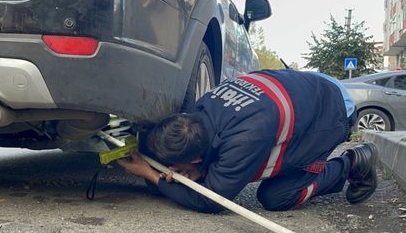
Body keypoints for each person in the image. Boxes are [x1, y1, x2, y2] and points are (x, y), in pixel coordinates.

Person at [117, 69, 377, 213]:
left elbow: (211, 200)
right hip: (308, 87)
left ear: (196, 158)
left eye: (178, 165)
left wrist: (149, 175)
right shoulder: (200, 110)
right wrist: (198, 169)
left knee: (277, 196)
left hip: (331, 111)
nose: (173, 170)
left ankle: (352, 163)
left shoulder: (246, 138)